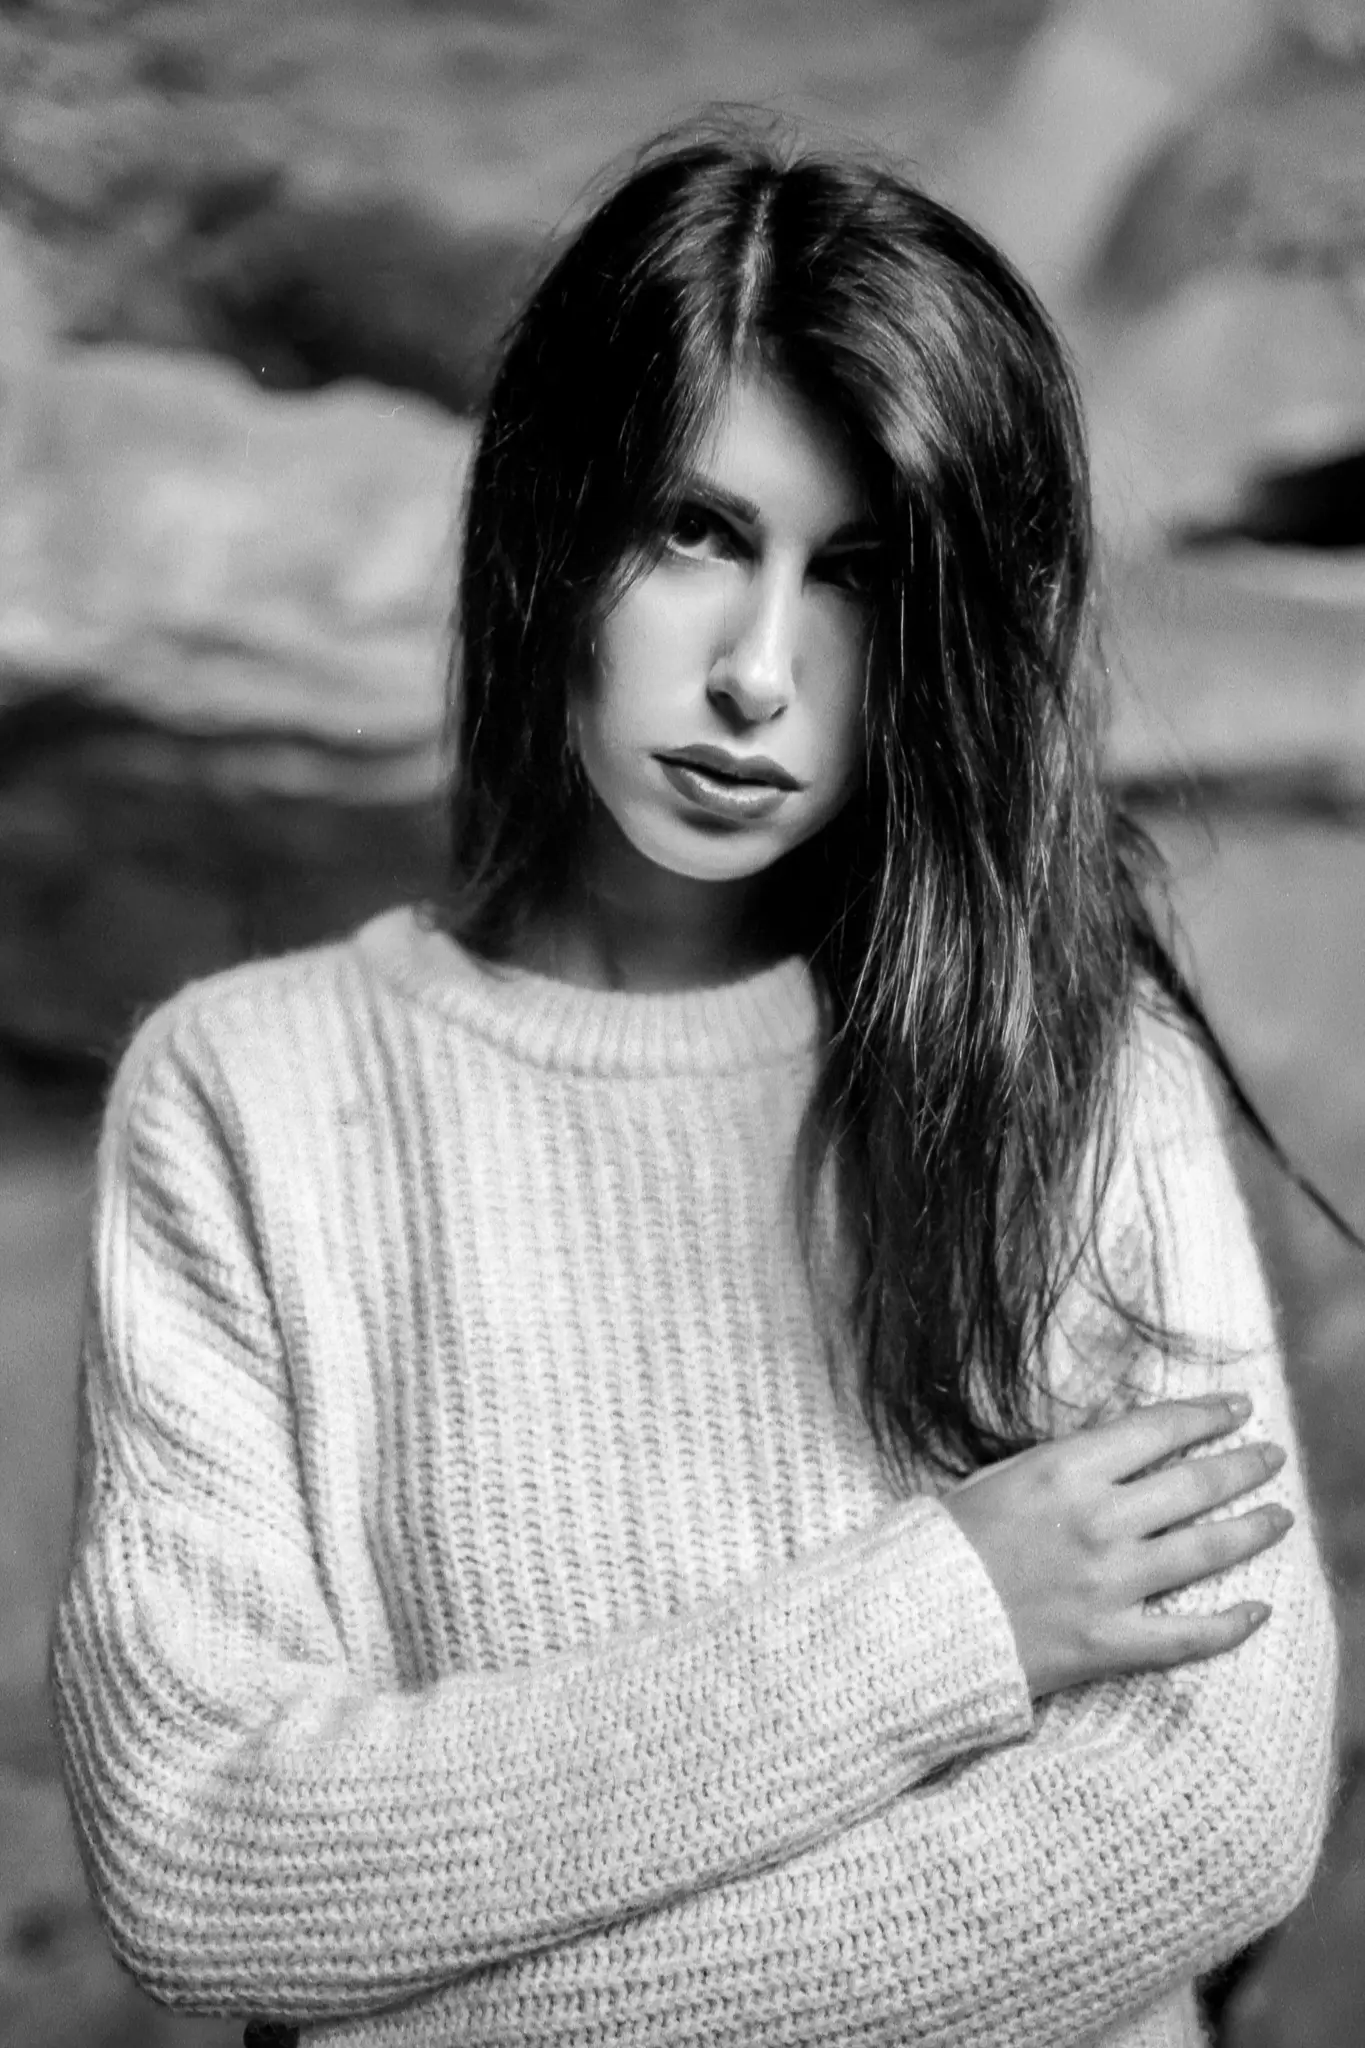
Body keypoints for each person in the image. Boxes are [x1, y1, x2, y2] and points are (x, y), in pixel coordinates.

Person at [49, 119, 1337, 2048]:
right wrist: (946, 1618)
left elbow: (1207, 1808)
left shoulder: (1066, 1065)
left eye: (861, 577)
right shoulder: (246, 1096)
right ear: (552, 525)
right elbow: (207, 1853)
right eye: (696, 531)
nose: (756, 672)